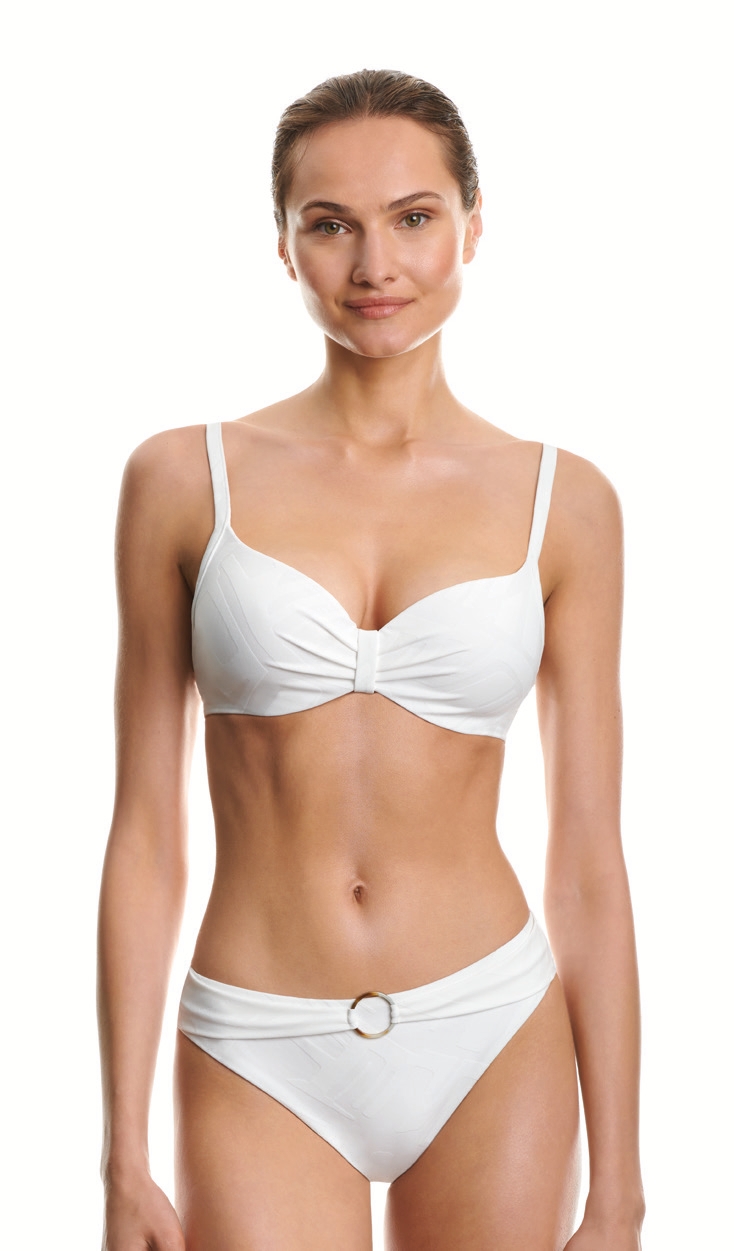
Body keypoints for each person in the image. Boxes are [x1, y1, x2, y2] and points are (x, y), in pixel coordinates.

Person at [97, 69, 645, 1250]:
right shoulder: (182, 481)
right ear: (282, 245)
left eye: (412, 217)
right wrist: (121, 1155)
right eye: (329, 224)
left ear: (472, 227)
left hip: (490, 1023)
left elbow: (587, 860)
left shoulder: (565, 504)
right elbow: (144, 837)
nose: (373, 265)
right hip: (256, 1039)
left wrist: (620, 1187)